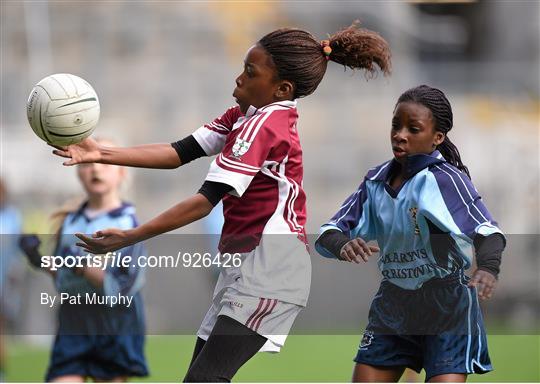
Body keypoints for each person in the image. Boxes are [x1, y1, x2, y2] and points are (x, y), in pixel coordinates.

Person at [51, 24, 391, 381]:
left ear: (282, 89)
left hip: (271, 268)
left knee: (204, 379)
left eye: (250, 72)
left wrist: (131, 236)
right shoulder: (246, 116)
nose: (239, 78)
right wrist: (99, 152)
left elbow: (204, 201)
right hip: (244, 268)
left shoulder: (266, 126)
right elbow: (178, 152)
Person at [315, 85, 505, 383]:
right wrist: (342, 245)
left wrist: (488, 268)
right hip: (394, 303)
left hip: (447, 304)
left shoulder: (445, 181)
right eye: (396, 125)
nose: (399, 134)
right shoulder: (375, 181)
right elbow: (329, 231)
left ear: (437, 138)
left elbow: (487, 231)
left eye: (413, 129)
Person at [19, 139, 148, 382]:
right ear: (78, 171)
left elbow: (121, 289)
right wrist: (37, 258)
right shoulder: (70, 221)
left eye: (103, 164)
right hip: (73, 324)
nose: (95, 170)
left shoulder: (128, 225)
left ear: (121, 173)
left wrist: (81, 266)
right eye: (88, 164)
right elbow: (63, 277)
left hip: (113, 327)